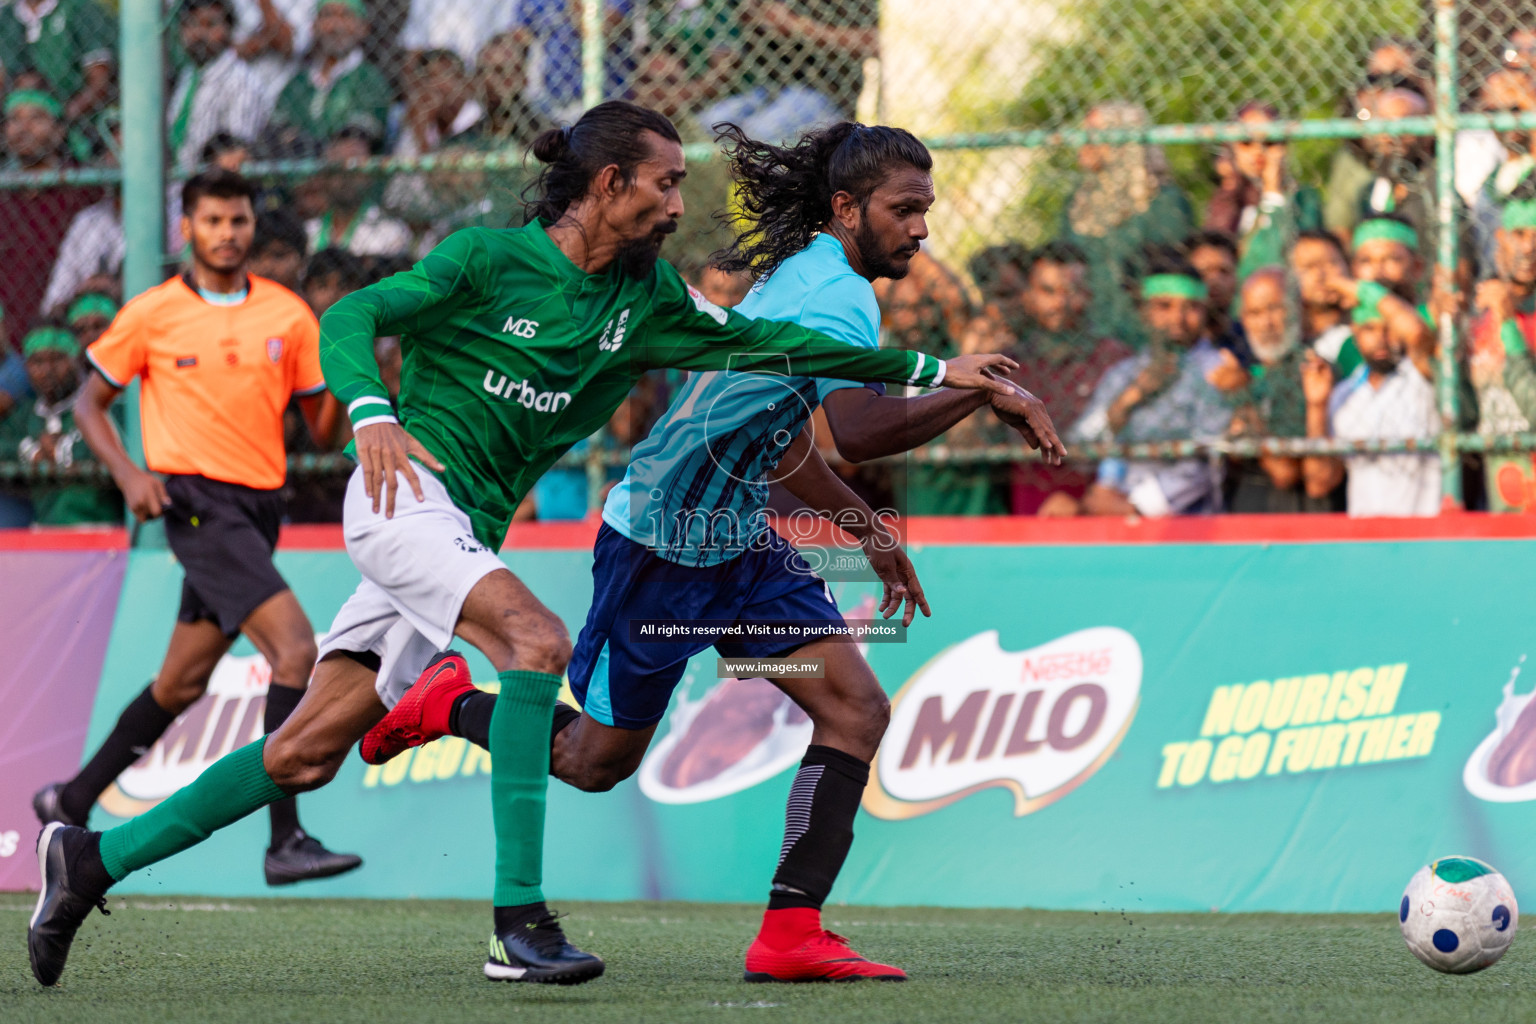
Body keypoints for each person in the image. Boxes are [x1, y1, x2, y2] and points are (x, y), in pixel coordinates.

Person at [27, 101, 1017, 988]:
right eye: (666, 185)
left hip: (465, 530)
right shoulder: (488, 260)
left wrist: (936, 366)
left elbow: (781, 351)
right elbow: (351, 314)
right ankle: (518, 924)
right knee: (535, 642)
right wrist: (370, 408)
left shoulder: (648, 301)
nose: (680, 206)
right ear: (608, 184)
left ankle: (91, 859)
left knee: (303, 753)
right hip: (404, 494)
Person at [359, 119, 1061, 982]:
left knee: (854, 710)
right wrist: (970, 389)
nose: (921, 228)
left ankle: (791, 932)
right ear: (846, 208)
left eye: (926, 208)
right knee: (593, 762)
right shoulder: (836, 293)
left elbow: (779, 435)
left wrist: (863, 529)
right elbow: (856, 428)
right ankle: (450, 705)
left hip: (740, 550)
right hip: (660, 545)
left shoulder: (810, 275)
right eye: (905, 208)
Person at [30, 169, 361, 899]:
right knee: (296, 650)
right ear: (187, 229)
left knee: (180, 681)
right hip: (194, 505)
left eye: (238, 220)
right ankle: (286, 840)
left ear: (250, 228)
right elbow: (90, 404)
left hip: (259, 510)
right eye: (212, 220)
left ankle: (71, 803)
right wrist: (130, 476)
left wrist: (356, 381)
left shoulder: (289, 315)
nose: (227, 233)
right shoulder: (151, 313)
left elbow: (323, 426)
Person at [960, 241, 1131, 516]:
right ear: (1028, 295)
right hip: (1025, 508)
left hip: (1096, 508)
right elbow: (965, 440)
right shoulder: (1009, 363)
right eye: (1048, 291)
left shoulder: (1111, 359)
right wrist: (970, 358)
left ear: (1087, 295)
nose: (1059, 303)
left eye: (1071, 292)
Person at [1070, 248, 1231, 517]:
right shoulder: (1122, 374)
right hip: (1110, 513)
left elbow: (1207, 460)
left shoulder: (1218, 372)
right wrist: (1129, 399)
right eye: (1164, 306)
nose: (1177, 319)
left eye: (1191, 307)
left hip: (1187, 525)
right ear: (1144, 311)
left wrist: (1136, 506)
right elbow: (1079, 446)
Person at [1060, 102, 1194, 345]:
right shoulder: (1077, 206)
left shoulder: (1163, 203)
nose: (1083, 143)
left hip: (1141, 334)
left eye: (1093, 134)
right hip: (1083, 334)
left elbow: (1170, 275)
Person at [1306, 298, 1440, 517]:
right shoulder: (1343, 395)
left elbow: (1419, 336)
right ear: (1355, 332)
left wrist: (1353, 288)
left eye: (1390, 328)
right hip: (1364, 538)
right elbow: (1319, 484)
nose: (1381, 339)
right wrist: (1317, 406)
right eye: (1369, 328)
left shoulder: (1423, 378)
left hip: (1423, 533)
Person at [1224, 268, 1341, 513]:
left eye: (1275, 309)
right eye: (1255, 313)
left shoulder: (1314, 371)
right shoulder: (1246, 375)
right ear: (1244, 319)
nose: (1266, 323)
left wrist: (1246, 408)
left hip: (1299, 515)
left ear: (1298, 309)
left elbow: (1285, 473)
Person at [0, 90, 101, 346]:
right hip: (9, 336)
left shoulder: (84, 189)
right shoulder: (4, 195)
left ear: (58, 131)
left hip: (70, 333)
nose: (23, 129)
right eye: (14, 120)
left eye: (36, 118)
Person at [0, 325, 121, 524]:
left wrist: (63, 450)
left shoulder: (98, 405)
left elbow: (117, 442)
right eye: (37, 362)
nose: (47, 371)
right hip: (45, 529)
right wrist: (31, 450)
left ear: (77, 361)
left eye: (57, 359)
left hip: (100, 526)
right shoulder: (26, 414)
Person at [1468, 188, 1536, 511]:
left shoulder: (1501, 319)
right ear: (1499, 239)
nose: (1529, 247)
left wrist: (1508, 326)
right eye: (1519, 234)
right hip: (1498, 508)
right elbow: (1463, 415)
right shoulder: (1478, 322)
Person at [1205, 101, 1323, 279]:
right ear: (1232, 148)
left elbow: (1283, 251)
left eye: (1269, 142)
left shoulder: (1303, 198)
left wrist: (1272, 192)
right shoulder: (1227, 200)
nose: (1258, 151)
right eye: (1246, 142)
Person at [266, 0, 390, 150]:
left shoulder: (370, 80)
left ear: (364, 28)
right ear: (313, 27)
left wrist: (298, 142)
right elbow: (275, 137)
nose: (336, 26)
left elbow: (353, 146)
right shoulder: (297, 83)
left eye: (346, 15)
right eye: (328, 15)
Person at [168, 0, 269, 172]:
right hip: (176, 185)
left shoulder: (240, 81)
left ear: (229, 30)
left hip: (214, 186)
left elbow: (236, 153)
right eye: (191, 24)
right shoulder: (188, 75)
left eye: (210, 24)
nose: (199, 33)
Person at [0, 0, 114, 123]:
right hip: (17, 110)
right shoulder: (6, 16)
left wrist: (61, 120)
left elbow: (100, 82)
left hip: (73, 115)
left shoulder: (79, 9)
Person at [307, 127, 413, 257]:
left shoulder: (392, 233)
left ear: (370, 176)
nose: (346, 176)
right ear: (325, 176)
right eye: (339, 166)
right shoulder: (309, 232)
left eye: (355, 167)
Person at [249, 209, 308, 291]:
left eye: (279, 256)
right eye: (255, 256)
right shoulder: (230, 302)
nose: (266, 267)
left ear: (302, 261)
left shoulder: (315, 303)